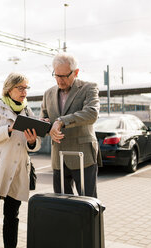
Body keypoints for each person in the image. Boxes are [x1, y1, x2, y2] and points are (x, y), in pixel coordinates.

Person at [0, 72, 41, 248]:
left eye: (26, 88)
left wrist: (33, 141)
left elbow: (35, 144)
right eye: (20, 88)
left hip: (17, 170)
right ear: (9, 89)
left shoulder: (27, 111)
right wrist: (8, 129)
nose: (24, 92)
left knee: (12, 217)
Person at [40, 52, 100, 198]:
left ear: (76, 72)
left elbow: (91, 113)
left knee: (88, 204)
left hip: (83, 156)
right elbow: (45, 119)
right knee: (62, 207)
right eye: (56, 75)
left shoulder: (89, 88)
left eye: (64, 76)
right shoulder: (48, 93)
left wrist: (61, 121)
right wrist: (46, 127)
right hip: (58, 158)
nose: (59, 80)